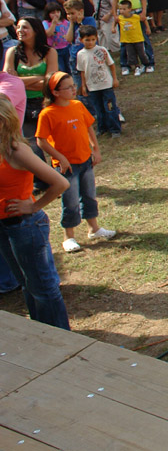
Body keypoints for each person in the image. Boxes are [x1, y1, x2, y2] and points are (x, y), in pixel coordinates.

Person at [0, 95, 71, 329]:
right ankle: (41, 332)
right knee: (26, 283)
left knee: (42, 287)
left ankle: (60, 338)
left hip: (24, 226)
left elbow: (61, 184)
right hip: (5, 227)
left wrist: (33, 206)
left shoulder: (16, 150)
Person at [35, 72, 114, 252]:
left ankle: (94, 228)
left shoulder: (77, 105)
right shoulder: (47, 114)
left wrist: (95, 149)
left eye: (73, 85)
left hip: (85, 161)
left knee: (89, 195)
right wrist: (60, 157)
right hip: (66, 167)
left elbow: (88, 127)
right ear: (55, 92)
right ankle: (68, 237)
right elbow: (41, 141)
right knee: (70, 201)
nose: (74, 89)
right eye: (69, 87)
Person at [5, 18, 59, 140]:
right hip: (21, 104)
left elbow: (50, 83)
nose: (19, 30)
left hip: (45, 103)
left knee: (54, 142)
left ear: (36, 31)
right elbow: (7, 83)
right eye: (18, 27)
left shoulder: (50, 52)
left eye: (24, 27)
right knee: (32, 144)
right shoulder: (12, 53)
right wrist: (39, 77)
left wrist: (18, 80)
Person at [75, 25, 120, 137]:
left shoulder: (102, 50)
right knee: (98, 108)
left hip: (106, 85)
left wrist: (114, 79)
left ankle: (115, 129)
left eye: (93, 40)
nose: (90, 42)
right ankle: (102, 128)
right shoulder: (80, 54)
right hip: (93, 87)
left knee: (109, 107)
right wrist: (83, 86)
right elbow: (82, 71)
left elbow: (111, 65)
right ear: (81, 40)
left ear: (96, 38)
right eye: (87, 40)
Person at [117, 0, 151, 75]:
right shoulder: (120, 18)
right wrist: (113, 28)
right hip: (127, 40)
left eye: (124, 9)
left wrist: (147, 28)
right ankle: (137, 67)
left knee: (141, 53)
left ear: (129, 9)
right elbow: (115, 21)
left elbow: (144, 19)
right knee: (131, 54)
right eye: (120, 9)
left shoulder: (135, 17)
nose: (122, 11)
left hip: (138, 39)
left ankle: (147, 64)